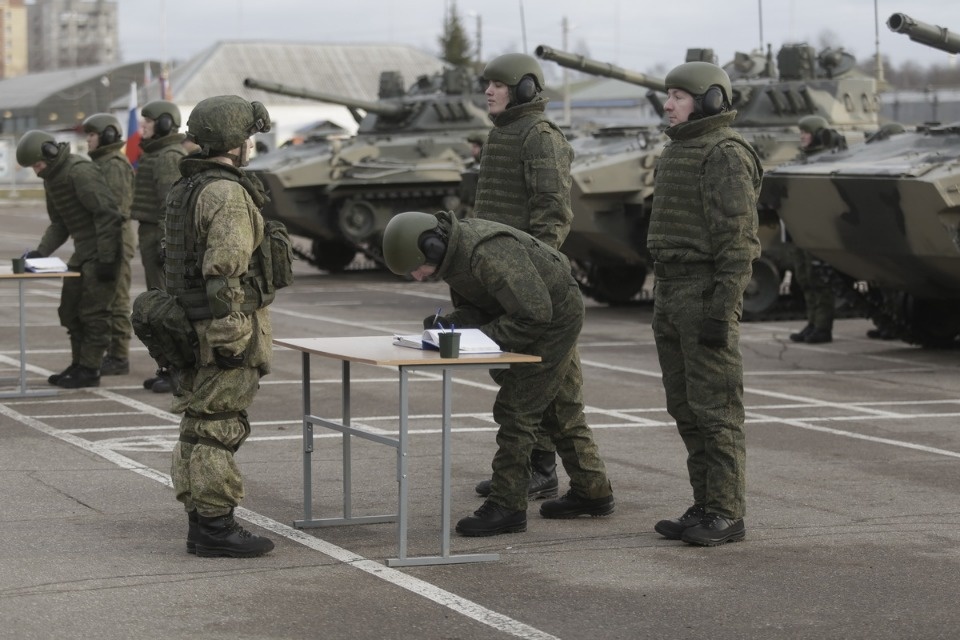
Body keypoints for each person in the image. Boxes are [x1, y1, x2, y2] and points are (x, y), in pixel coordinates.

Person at [384, 210, 614, 537]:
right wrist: (452, 323)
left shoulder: (486, 253)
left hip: (554, 318)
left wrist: (480, 337)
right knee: (559, 406)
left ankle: (506, 505)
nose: (418, 278)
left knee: (517, 409)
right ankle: (593, 491)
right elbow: (484, 304)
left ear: (432, 246)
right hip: (533, 313)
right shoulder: (454, 258)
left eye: (416, 268)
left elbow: (535, 315)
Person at [647, 61, 762, 546]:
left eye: (678, 95)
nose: (668, 104)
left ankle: (726, 513)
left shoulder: (725, 154)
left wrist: (722, 310)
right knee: (685, 407)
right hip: (670, 291)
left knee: (717, 411)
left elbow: (739, 243)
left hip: (703, 294)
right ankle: (704, 502)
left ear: (711, 100)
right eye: (668, 95)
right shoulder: (678, 150)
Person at [456, 52, 576, 502]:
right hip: (502, 279)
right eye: (487, 84)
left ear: (524, 88)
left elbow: (552, 217)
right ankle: (538, 469)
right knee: (517, 379)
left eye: (499, 85)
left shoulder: (539, 137)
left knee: (556, 390)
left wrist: (533, 278)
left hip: (531, 285)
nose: (488, 91)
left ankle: (565, 477)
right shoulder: (501, 135)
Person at [165, 95, 275, 558]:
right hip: (221, 327)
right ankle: (215, 525)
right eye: (247, 137)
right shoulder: (227, 193)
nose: (250, 145)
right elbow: (224, 270)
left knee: (196, 422)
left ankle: (200, 516)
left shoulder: (187, 187)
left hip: (189, 324)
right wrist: (232, 334)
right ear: (235, 142)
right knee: (218, 424)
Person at [16, 131, 124, 389]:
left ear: (50, 154)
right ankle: (79, 364)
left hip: (101, 251)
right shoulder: (52, 178)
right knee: (70, 311)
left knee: (94, 313)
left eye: (37, 165)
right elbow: (59, 223)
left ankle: (90, 368)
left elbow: (108, 214)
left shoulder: (79, 172)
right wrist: (39, 253)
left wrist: (107, 259)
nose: (36, 171)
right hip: (83, 253)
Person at [131, 99, 187, 393]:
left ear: (165, 123)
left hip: (158, 235)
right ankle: (168, 368)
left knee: (165, 308)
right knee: (157, 307)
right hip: (150, 232)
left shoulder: (166, 157)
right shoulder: (156, 154)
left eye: (147, 123)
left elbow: (170, 206)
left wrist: (166, 243)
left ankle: (177, 372)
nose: (142, 128)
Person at [83, 113, 135, 376]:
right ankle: (112, 352)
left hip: (116, 239)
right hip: (105, 239)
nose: (88, 141)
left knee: (117, 299)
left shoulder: (113, 164)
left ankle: (119, 355)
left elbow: (115, 211)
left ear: (107, 136)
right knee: (107, 297)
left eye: (92, 135)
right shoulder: (100, 163)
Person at [788, 115, 841, 345]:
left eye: (806, 132)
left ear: (819, 134)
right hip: (800, 227)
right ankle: (812, 322)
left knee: (819, 279)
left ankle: (823, 326)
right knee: (804, 277)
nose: (802, 136)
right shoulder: (802, 159)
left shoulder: (828, 160)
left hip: (819, 229)